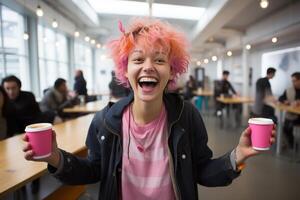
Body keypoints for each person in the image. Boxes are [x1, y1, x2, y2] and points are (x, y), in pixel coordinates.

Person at [23, 18, 276, 200]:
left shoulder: (186, 116)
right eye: (138, 59)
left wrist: (237, 156)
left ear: (171, 71)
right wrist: (55, 157)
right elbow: (93, 170)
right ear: (125, 70)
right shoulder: (105, 121)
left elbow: (202, 172)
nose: (148, 67)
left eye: (159, 59)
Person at [278, 72, 300, 148]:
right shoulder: (289, 90)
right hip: (291, 115)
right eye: (292, 81)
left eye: (294, 81)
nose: (293, 83)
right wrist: (285, 101)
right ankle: (293, 144)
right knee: (286, 128)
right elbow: (281, 98)